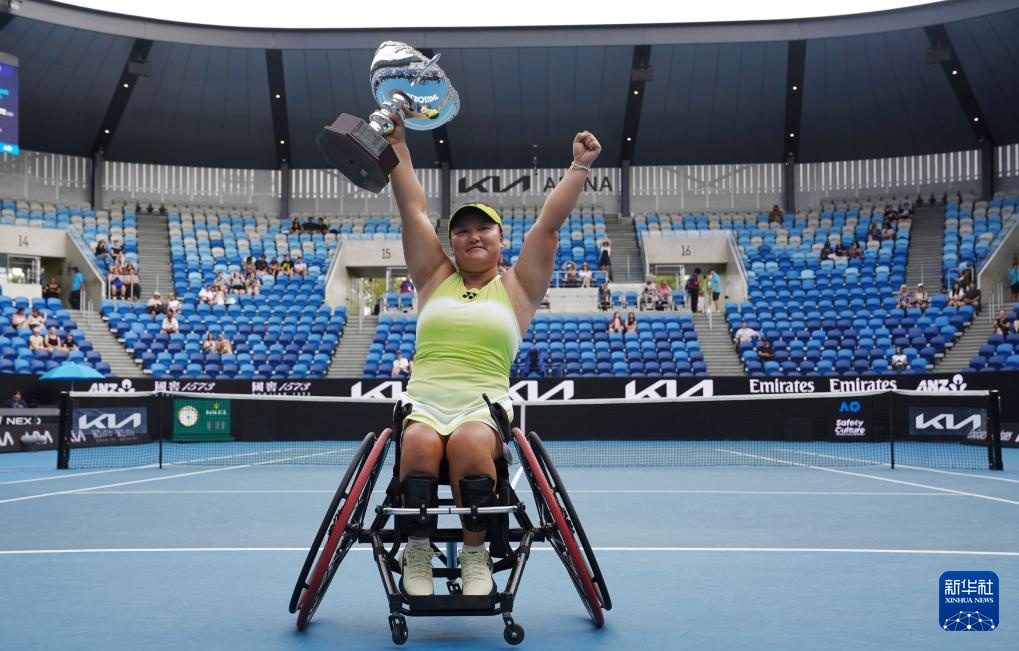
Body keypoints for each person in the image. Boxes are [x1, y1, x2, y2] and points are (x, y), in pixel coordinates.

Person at [385, 110, 601, 597]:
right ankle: (416, 552)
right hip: (424, 401)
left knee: (467, 444)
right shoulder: (434, 277)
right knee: (417, 444)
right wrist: (398, 144)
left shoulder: (518, 288)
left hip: (481, 407)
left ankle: (475, 555)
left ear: (502, 240)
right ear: (452, 243)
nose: (473, 235)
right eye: (462, 230)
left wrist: (579, 166)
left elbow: (548, 226)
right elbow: (412, 209)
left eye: (484, 228)